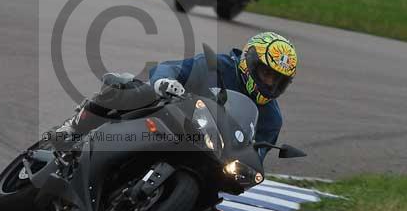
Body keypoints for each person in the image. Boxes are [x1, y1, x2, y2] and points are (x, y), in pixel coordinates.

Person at [50, 31, 299, 156]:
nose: (270, 83)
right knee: (130, 92)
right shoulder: (216, 64)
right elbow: (173, 67)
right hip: (172, 115)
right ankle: (74, 128)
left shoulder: (271, 119)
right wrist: (165, 82)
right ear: (250, 62)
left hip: (204, 151)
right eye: (267, 74)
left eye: (278, 80)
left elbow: (254, 157)